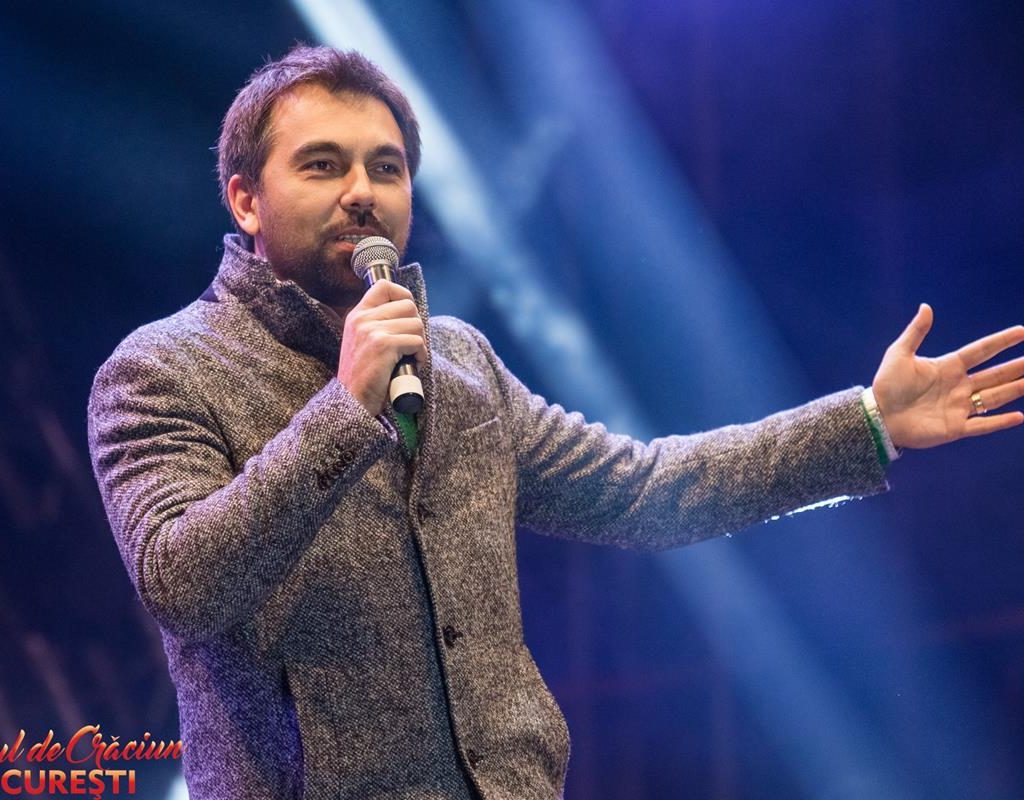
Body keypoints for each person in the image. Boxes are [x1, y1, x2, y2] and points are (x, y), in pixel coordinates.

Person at [86, 45, 1024, 800]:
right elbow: (183, 584)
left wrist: (867, 422)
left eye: (387, 168)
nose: (362, 191)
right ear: (246, 197)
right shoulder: (161, 371)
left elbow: (645, 489)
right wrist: (344, 409)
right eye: (322, 165)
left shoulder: (458, 362)